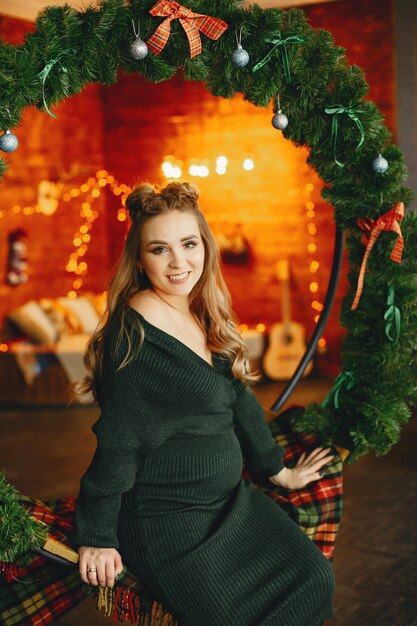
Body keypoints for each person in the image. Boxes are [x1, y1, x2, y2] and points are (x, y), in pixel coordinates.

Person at [73, 181, 336, 626]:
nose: (179, 262)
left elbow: (239, 396)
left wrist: (278, 470)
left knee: (314, 579)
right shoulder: (136, 335)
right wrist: (97, 535)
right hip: (169, 521)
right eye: (160, 249)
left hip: (231, 503)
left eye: (188, 244)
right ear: (139, 259)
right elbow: (118, 440)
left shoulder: (199, 309)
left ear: (205, 246)